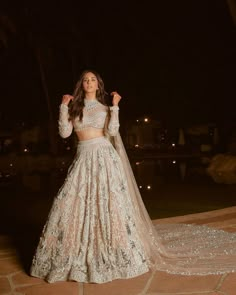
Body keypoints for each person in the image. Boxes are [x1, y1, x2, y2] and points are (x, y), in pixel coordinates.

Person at [30, 70, 236, 284]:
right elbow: (64, 133)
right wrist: (63, 106)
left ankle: (113, 250)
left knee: (108, 203)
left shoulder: (104, 108)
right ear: (81, 85)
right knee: (68, 202)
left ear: (99, 85)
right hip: (83, 158)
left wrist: (115, 106)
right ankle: (74, 254)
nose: (89, 83)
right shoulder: (75, 108)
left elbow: (113, 129)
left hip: (104, 157)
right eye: (86, 80)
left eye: (93, 80)